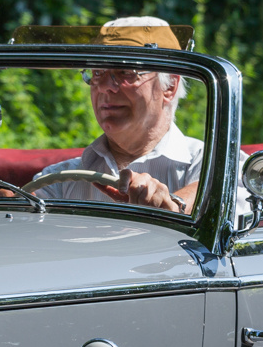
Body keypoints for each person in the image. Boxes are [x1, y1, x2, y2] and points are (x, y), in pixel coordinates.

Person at [34, 16, 247, 217]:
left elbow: (222, 199)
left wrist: (172, 204)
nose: (106, 87)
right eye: (97, 72)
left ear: (170, 86)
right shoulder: (57, 181)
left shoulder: (224, 165)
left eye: (126, 71)